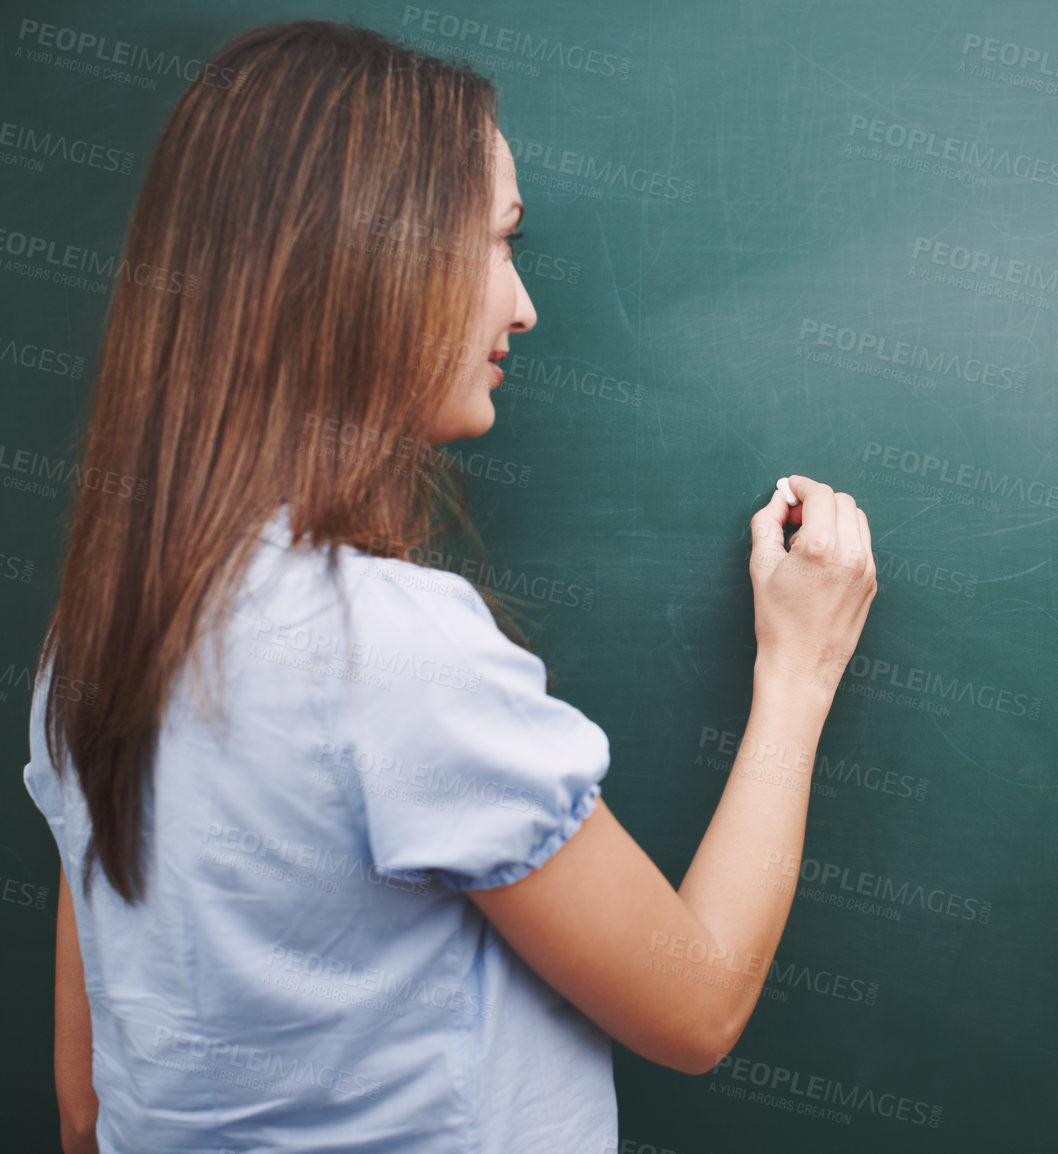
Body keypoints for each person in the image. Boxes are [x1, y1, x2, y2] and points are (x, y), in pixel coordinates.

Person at [22, 20, 876, 1154]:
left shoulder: (94, 636)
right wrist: (799, 672)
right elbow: (697, 1001)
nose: (519, 306)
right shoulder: (391, 651)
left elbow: (85, 1106)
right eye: (493, 244)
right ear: (356, 263)